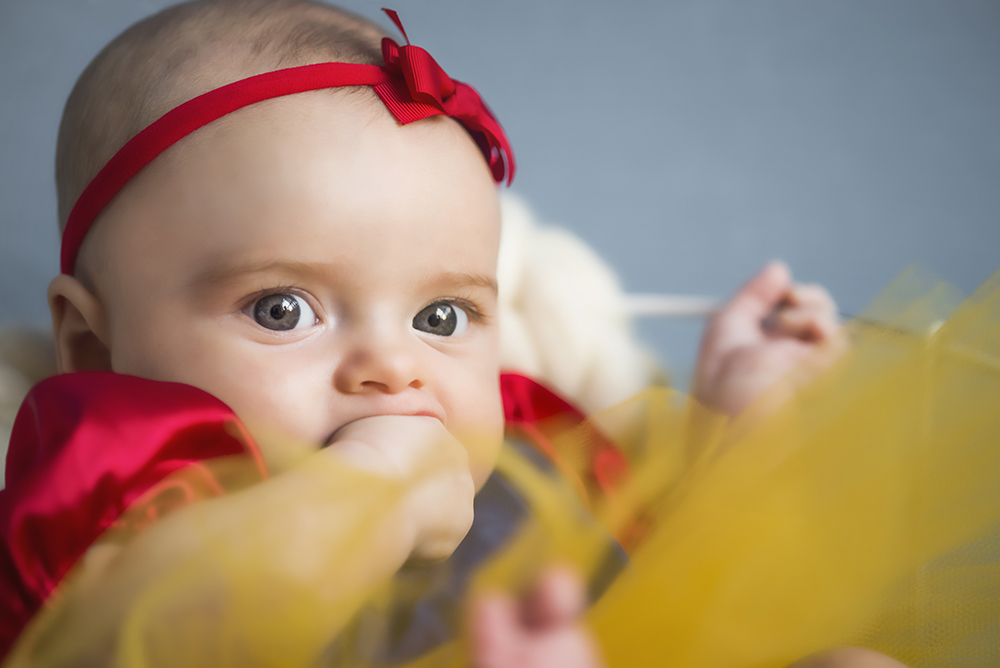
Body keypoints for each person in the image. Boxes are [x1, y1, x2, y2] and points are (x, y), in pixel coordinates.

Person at [4, 1, 990, 666]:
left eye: (442, 317)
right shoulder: (125, 478)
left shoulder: (530, 460)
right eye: (281, 308)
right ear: (92, 346)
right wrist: (381, 484)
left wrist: (743, 413)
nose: (393, 368)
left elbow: (712, 591)